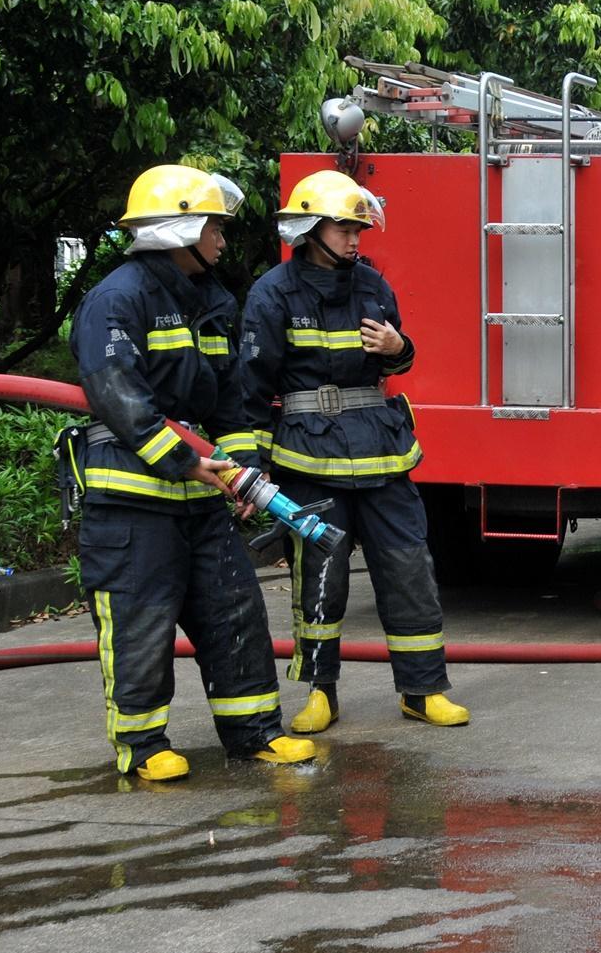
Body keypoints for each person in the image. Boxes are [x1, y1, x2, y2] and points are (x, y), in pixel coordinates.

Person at [66, 164, 316, 781]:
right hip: (133, 502)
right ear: (178, 227)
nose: (223, 240)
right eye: (215, 227)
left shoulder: (210, 301)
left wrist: (246, 476)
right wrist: (188, 461)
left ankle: (254, 732)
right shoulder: (116, 300)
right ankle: (143, 747)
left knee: (233, 615)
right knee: (140, 623)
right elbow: (117, 395)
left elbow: (227, 401)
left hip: (204, 500)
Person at [241, 171, 468, 733]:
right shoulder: (272, 293)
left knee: (408, 568)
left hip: (382, 453)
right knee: (321, 576)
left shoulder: (372, 286)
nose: (355, 239)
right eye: (345, 228)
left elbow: (396, 362)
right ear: (313, 229)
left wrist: (399, 347)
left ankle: (424, 689)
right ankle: (320, 693)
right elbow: (249, 388)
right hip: (308, 460)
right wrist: (251, 471)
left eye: (359, 229)